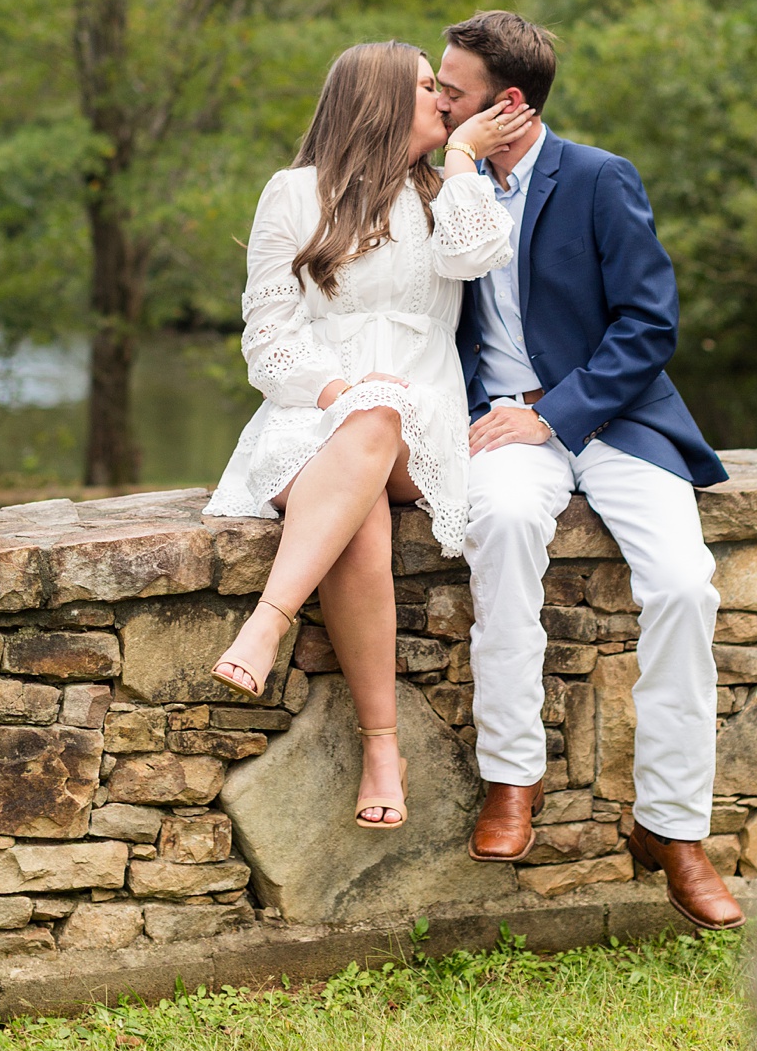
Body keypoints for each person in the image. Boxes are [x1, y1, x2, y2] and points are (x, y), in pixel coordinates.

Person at [434, 10, 744, 931]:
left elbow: (649, 325)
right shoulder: (441, 182)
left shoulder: (601, 178)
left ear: (507, 102)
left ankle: (673, 829)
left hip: (613, 419)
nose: (438, 102)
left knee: (685, 586)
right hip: (497, 423)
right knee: (502, 526)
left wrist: (556, 414)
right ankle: (512, 777)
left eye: (452, 90)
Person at [204, 40, 535, 830]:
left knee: (383, 413)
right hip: (310, 414)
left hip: (422, 425)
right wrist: (333, 395)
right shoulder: (293, 194)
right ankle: (383, 749)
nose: (444, 101)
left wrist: (462, 158)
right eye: (427, 88)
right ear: (380, 100)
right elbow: (267, 337)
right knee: (363, 509)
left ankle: (268, 621)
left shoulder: (445, 193)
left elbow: (479, 253)